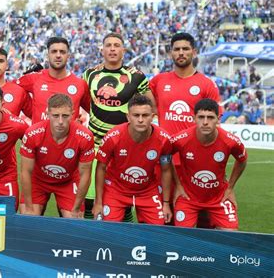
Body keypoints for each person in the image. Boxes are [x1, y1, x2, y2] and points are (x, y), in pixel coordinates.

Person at [149, 32, 221, 227]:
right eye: (177, 49)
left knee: (202, 217)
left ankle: (201, 256)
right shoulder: (158, 81)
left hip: (195, 163)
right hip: (165, 161)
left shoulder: (207, 85)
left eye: (185, 49)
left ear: (194, 52)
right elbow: (142, 99)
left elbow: (215, 123)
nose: (181, 53)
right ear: (171, 53)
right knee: (164, 216)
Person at [83, 32, 153, 220]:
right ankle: (91, 239)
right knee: (89, 200)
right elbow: (82, 102)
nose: (112, 49)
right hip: (96, 146)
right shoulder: (90, 74)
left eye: (116, 45)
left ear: (123, 50)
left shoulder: (136, 76)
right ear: (102, 50)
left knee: (125, 200)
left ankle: (124, 242)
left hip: (125, 148)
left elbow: (150, 107)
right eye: (108, 45)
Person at [92, 95, 173, 224]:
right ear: (128, 117)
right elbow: (101, 168)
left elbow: (166, 170)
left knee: (158, 229)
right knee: (108, 229)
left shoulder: (164, 139)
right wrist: (98, 202)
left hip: (147, 190)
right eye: (136, 115)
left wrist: (166, 203)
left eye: (145, 115)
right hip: (116, 189)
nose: (140, 120)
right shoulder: (113, 137)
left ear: (152, 117)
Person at [171, 99, 248, 230]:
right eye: (201, 117)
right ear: (194, 118)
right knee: (182, 237)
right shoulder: (181, 139)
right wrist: (178, 185)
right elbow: (165, 156)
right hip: (187, 197)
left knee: (232, 235)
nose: (205, 122)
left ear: (218, 119)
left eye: (210, 117)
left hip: (219, 198)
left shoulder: (231, 142)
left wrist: (230, 187)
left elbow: (242, 160)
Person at [20, 94, 94, 218]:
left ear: (72, 114)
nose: (60, 121)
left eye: (65, 116)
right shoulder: (33, 133)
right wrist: (28, 206)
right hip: (38, 181)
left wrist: (76, 208)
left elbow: (85, 174)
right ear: (48, 114)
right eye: (55, 115)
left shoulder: (85, 136)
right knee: (29, 218)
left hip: (68, 181)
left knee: (75, 221)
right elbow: (26, 172)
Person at [15, 37, 90, 123]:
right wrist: (30, 112)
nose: (58, 55)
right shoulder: (34, 78)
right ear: (47, 55)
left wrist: (79, 128)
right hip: (39, 135)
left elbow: (94, 112)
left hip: (68, 136)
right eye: (54, 51)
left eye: (62, 52)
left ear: (68, 56)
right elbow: (10, 90)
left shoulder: (80, 84)